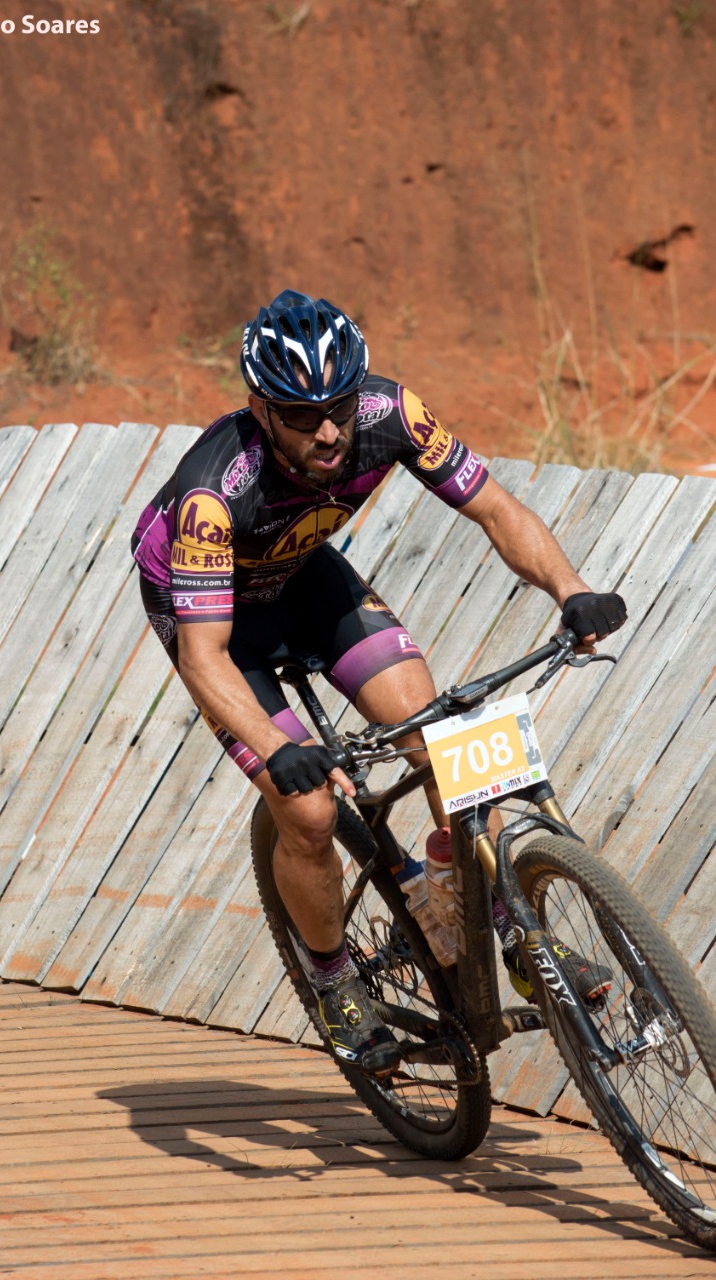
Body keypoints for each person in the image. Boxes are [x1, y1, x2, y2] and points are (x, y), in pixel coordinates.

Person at [132, 290, 627, 1075]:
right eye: (302, 417)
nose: (329, 433)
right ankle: (333, 982)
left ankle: (499, 923)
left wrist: (570, 590)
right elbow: (203, 658)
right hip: (217, 625)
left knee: (441, 744)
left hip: (300, 578)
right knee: (308, 810)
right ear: (260, 409)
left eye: (337, 408)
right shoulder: (212, 494)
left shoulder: (392, 412)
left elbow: (496, 510)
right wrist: (276, 750)